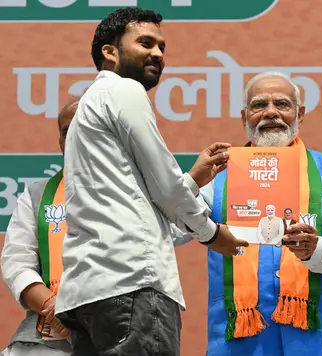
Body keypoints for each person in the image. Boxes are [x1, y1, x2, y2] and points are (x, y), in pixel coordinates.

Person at [53, 7, 247, 356]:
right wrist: (213, 234)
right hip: (131, 286)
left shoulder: (88, 107)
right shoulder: (124, 91)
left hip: (88, 293)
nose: (157, 53)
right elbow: (166, 188)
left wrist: (191, 180)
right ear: (109, 52)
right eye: (145, 43)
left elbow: (137, 203)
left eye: (162, 47)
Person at [198, 71, 322, 355]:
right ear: (244, 117)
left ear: (299, 115)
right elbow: (173, 231)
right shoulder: (217, 177)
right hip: (240, 342)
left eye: (282, 104)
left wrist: (317, 249)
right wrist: (192, 183)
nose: (271, 113)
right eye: (259, 105)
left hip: (321, 342)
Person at [0, 98, 79, 356]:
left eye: (85, 127)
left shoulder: (134, 193)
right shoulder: (38, 195)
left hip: (117, 334)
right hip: (45, 340)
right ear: (59, 142)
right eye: (68, 132)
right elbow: (16, 262)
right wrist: (53, 307)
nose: (76, 138)